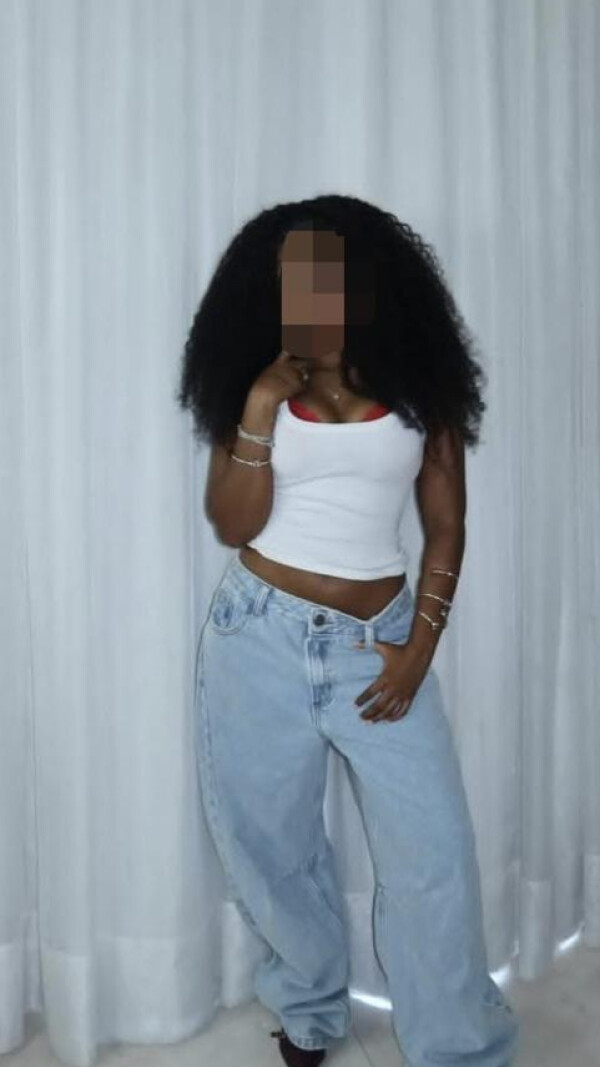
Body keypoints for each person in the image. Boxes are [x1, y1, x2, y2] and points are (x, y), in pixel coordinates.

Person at [177, 195, 520, 1067]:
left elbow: (445, 525)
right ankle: (309, 1005)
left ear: (367, 284)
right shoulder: (252, 380)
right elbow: (232, 520)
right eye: (293, 279)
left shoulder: (417, 382)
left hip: (380, 641)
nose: (311, 296)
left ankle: (461, 1048)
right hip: (258, 637)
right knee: (274, 846)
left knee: (433, 854)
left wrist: (420, 648)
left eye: (328, 277)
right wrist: (260, 407)